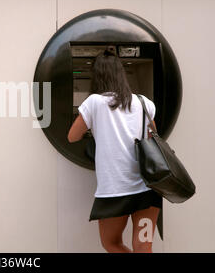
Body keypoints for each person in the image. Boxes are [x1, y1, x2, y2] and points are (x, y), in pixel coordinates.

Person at [67, 49, 162, 253]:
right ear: (122, 74)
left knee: (111, 243)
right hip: (148, 191)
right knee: (143, 248)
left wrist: (98, 130)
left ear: (97, 76)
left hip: (115, 194)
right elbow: (152, 135)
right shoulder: (143, 102)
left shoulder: (94, 103)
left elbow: (72, 136)